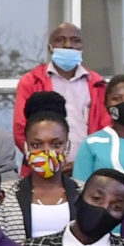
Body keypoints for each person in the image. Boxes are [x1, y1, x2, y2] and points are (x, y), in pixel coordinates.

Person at [10, 22, 107, 154]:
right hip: (42, 168)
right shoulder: (31, 82)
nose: (68, 45)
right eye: (60, 40)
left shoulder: (98, 84)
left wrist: (87, 162)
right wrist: (44, 161)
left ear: (82, 47)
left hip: (89, 170)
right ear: (50, 48)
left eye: (75, 41)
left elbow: (106, 129)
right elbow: (20, 129)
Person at [0, 95, 77, 246]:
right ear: (26, 148)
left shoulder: (85, 192)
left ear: (68, 147)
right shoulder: (4, 195)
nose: (46, 151)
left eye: (56, 144)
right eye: (37, 145)